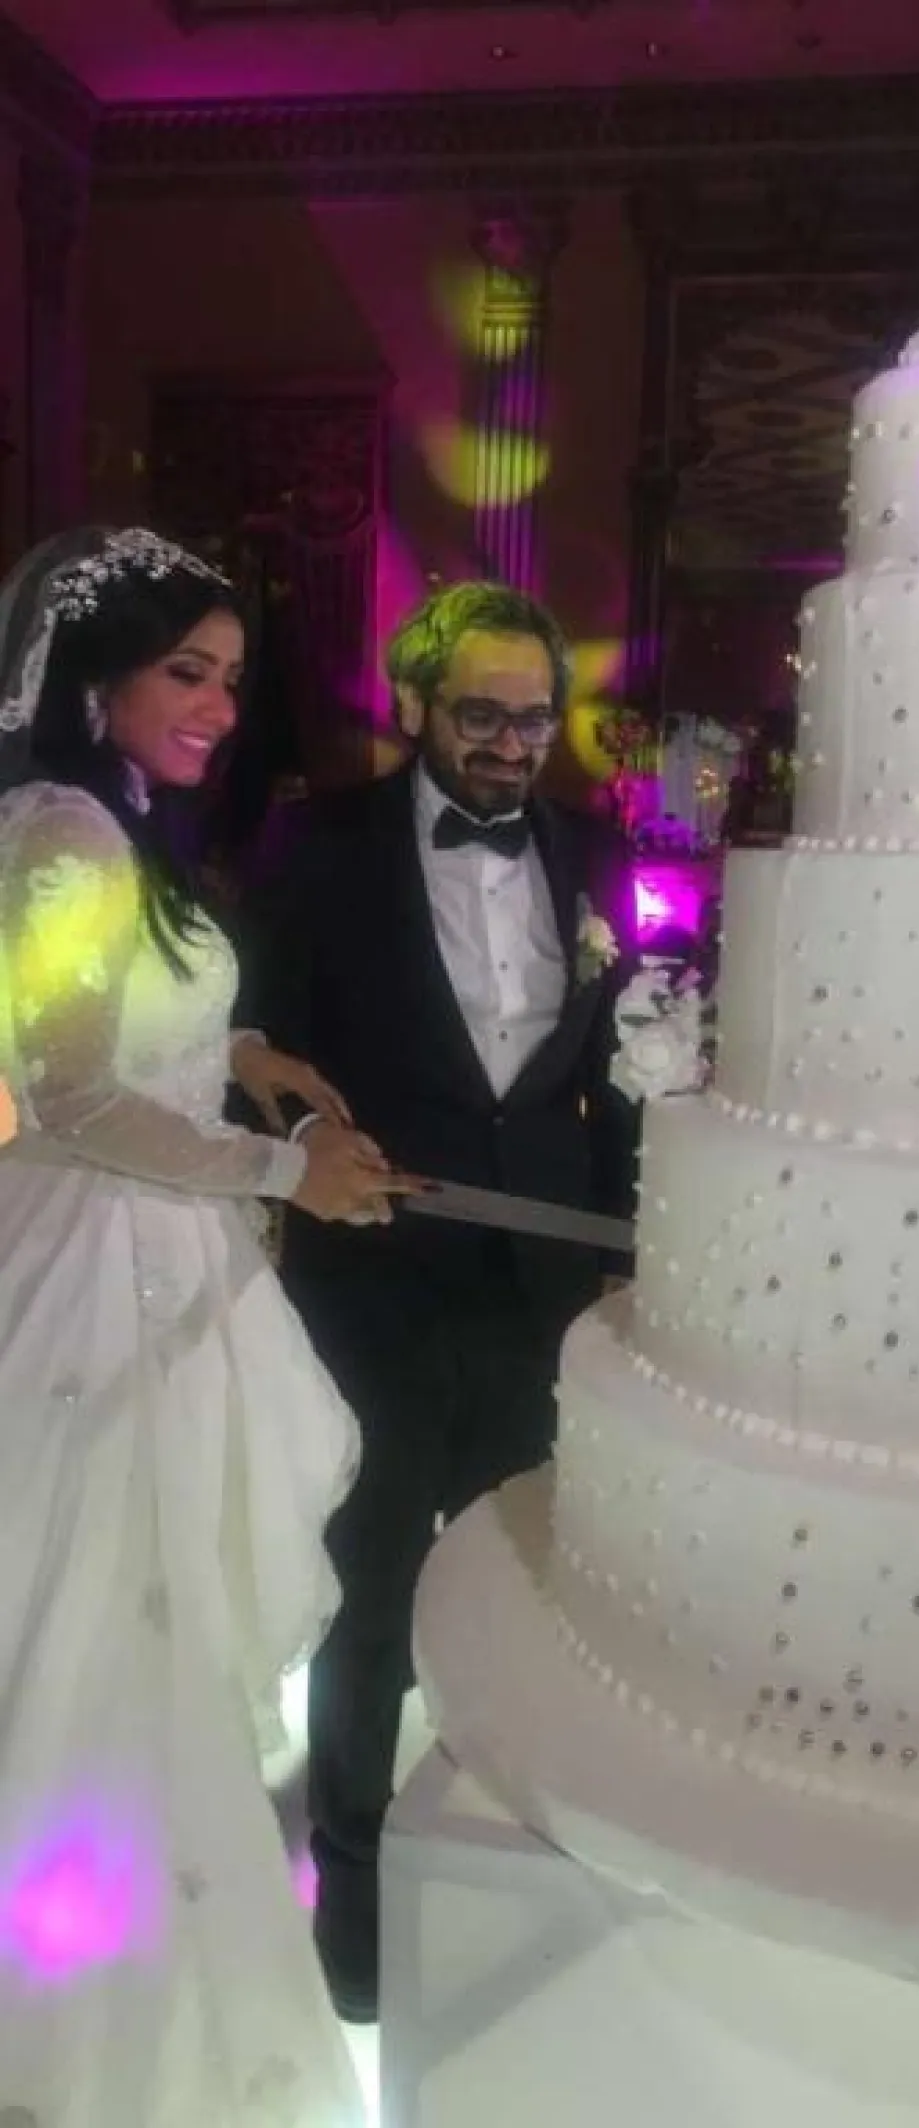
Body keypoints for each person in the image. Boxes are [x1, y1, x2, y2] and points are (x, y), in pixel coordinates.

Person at [0, 527, 402, 2127]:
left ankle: (139, 1980)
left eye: (233, 680)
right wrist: (288, 1170)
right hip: (99, 1286)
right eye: (189, 673)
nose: (223, 710)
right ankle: (83, 2025)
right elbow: (68, 1093)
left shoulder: (115, 826)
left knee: (151, 1650)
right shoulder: (60, 831)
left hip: (166, 1259)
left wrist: (241, 1055)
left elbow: (130, 1025)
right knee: (102, 1643)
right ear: (94, 677)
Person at [243, 579, 637, 2023]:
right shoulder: (321, 842)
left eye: (536, 718)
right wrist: (303, 1142)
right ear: (415, 702)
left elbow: (621, 1068)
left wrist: (627, 1234)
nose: (513, 744)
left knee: (523, 1586)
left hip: (540, 1286)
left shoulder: (594, 851)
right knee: (371, 1595)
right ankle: (353, 1913)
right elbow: (252, 1039)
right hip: (377, 1278)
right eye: (483, 713)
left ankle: (502, 1875)